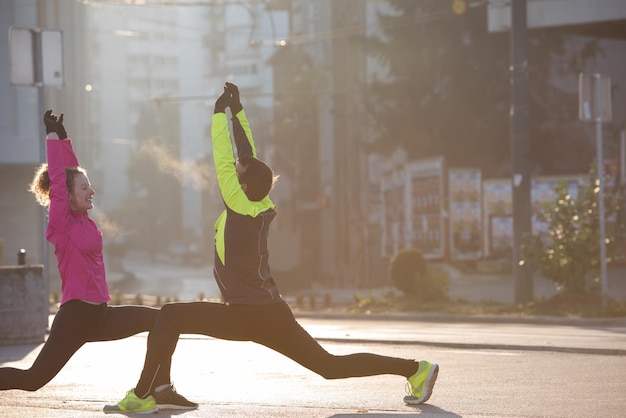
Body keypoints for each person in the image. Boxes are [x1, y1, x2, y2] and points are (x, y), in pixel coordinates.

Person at [106, 83, 439, 413]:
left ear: (243, 184)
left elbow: (223, 158)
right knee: (329, 366)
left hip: (243, 314)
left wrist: (217, 115)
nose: (234, 167)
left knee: (169, 316)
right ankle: (415, 369)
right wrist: (236, 112)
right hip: (272, 311)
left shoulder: (238, 203)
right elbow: (247, 156)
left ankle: (142, 394)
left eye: (237, 173)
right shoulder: (261, 201)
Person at [0, 110, 196, 412]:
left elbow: (69, 171)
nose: (91, 191)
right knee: (32, 379)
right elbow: (59, 177)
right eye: (84, 188)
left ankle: (159, 389)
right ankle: (150, 392)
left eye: (89, 186)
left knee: (164, 320)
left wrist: (64, 137)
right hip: (75, 319)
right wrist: (51, 137)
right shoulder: (62, 223)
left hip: (101, 315)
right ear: (66, 196)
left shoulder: (85, 221)